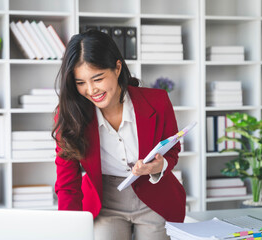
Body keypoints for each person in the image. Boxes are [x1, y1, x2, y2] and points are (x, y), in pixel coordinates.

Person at [52, 30, 185, 240]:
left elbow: (173, 149)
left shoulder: (158, 101)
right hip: (104, 201)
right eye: (80, 83)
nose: (91, 90)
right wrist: (70, 229)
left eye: (97, 78)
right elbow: (67, 183)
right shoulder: (69, 114)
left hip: (155, 196)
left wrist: (160, 166)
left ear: (117, 67)